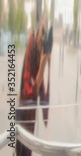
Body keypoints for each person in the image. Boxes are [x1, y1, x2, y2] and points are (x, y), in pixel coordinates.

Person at [16, 14, 52, 156]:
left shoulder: (38, 51)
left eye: (45, 34)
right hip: (23, 112)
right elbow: (30, 93)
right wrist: (43, 65)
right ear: (37, 30)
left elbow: (42, 89)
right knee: (22, 147)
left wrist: (46, 61)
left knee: (28, 146)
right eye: (42, 32)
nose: (43, 38)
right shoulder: (32, 43)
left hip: (30, 115)